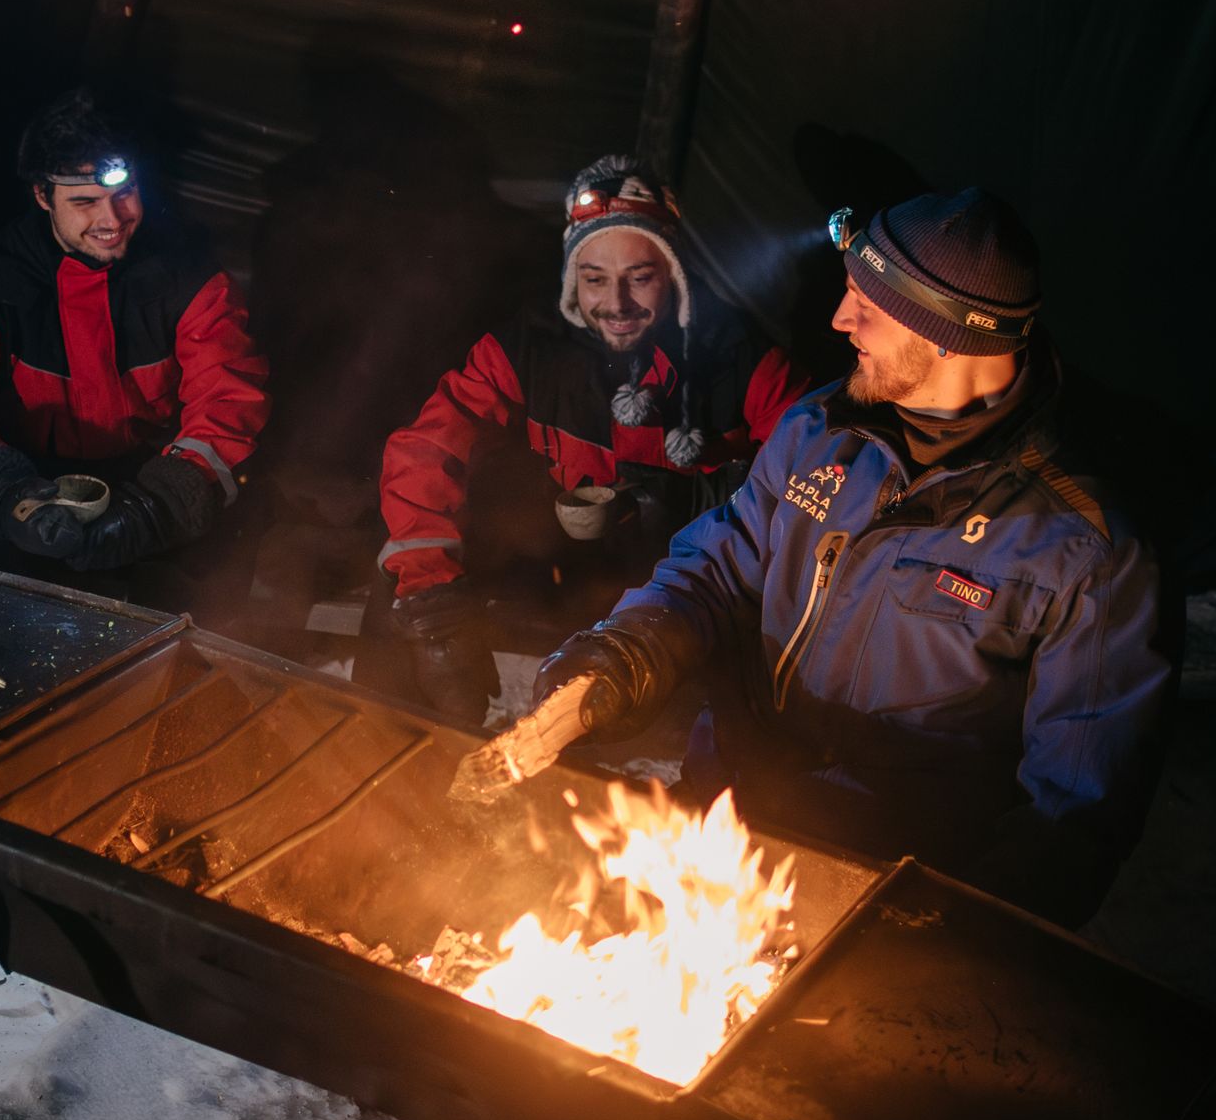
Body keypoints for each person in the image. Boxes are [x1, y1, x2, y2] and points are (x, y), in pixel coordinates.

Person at [529, 188, 1172, 926]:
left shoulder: (1087, 551)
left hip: (887, 890)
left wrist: (962, 935)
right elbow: (720, 566)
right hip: (726, 828)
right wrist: (630, 648)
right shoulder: (821, 428)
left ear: (950, 335)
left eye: (870, 306)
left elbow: (1077, 814)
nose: (839, 319)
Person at [377, 156, 806, 723]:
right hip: (562, 570)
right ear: (572, 278)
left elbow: (816, 473)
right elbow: (426, 448)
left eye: (640, 277)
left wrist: (706, 508)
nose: (616, 304)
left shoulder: (738, 356)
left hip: (688, 583)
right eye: (595, 278)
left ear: (674, 273)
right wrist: (432, 599)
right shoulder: (530, 347)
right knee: (403, 597)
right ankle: (398, 738)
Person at [0, 90, 268, 585]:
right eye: (85, 202)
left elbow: (228, 399)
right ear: (42, 196)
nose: (111, 220)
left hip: (148, 479)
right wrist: (7, 498)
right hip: (27, 483)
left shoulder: (191, 279)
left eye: (124, 194)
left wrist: (157, 507)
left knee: (231, 544)